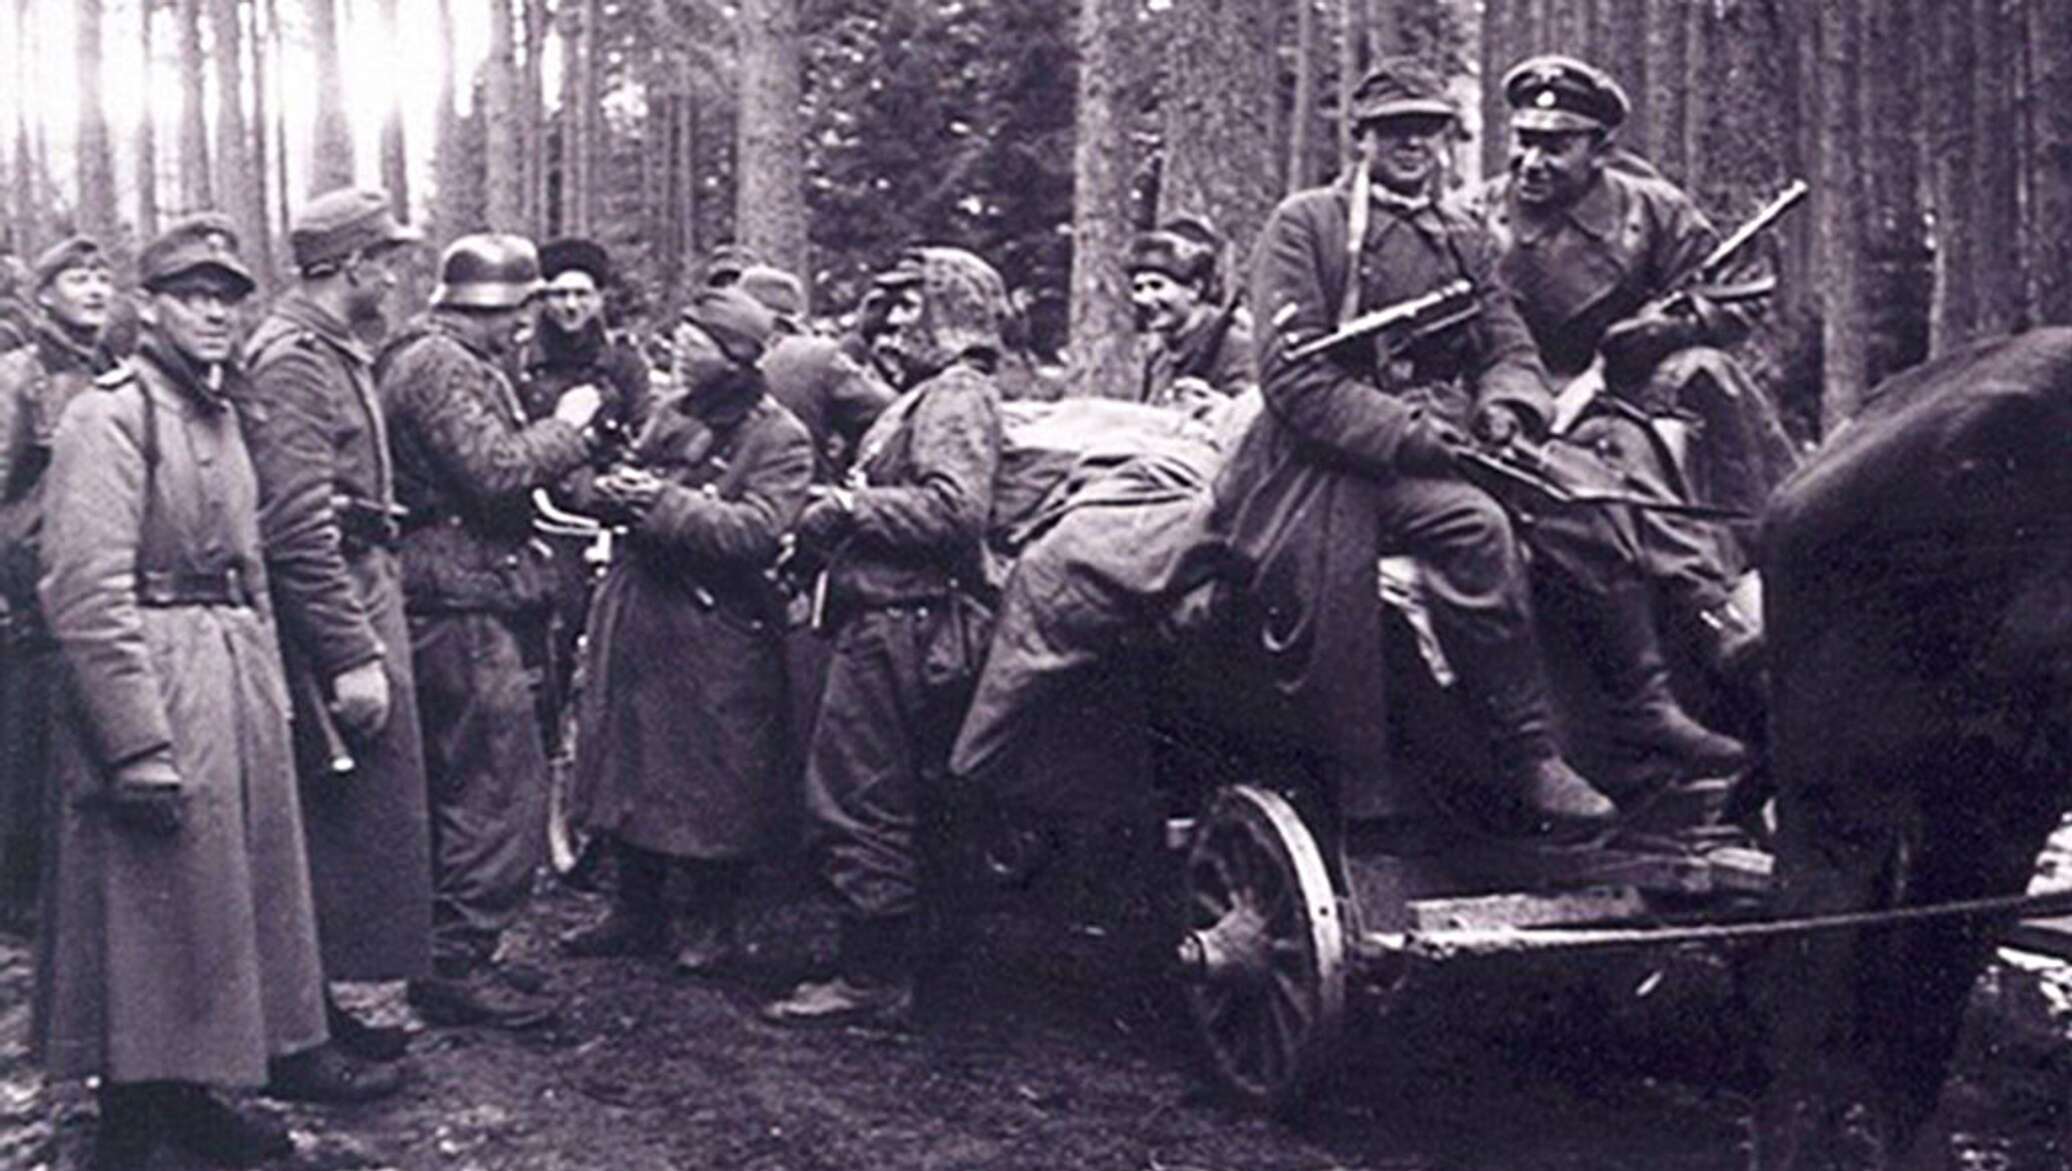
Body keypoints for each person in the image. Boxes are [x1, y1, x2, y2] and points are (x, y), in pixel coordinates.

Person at [1213, 58, 1618, 836]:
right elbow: (1295, 378)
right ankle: (1528, 752)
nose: (1412, 145)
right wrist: (1409, 435)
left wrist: (1506, 407)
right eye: (1394, 129)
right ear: (1361, 137)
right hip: (1327, 460)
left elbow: (1507, 342)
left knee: (1588, 503)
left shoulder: (1462, 235)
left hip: (1448, 438)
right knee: (1476, 528)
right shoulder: (1307, 226)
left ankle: (1635, 723)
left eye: (1427, 129)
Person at [35, 214, 335, 1168]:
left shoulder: (221, 410)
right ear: (150, 306)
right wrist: (135, 739)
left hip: (229, 669)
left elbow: (252, 565)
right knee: (146, 902)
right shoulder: (110, 414)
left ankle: (193, 1091)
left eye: (226, 298)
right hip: (155, 673)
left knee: (216, 902)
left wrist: (271, 689)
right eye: (191, 296)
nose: (213, 313)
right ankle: (133, 1118)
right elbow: (84, 588)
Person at [1466, 54, 1791, 683]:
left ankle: (1780, 549)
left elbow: (1737, 293)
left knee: (1708, 380)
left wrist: (1666, 330)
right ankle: (1703, 604)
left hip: (1633, 387)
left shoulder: (1651, 209)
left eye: (1556, 146)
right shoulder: (1473, 215)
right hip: (1515, 394)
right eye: (1524, 140)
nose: (1531, 161)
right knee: (1608, 461)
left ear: (1600, 149)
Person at [762, 246, 1007, 1028]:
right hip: (894, 615)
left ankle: (872, 973)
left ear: (954, 312)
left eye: (911, 305)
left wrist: (848, 508)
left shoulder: (956, 394)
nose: (894, 323)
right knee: (887, 793)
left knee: (859, 792)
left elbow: (954, 510)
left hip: (906, 620)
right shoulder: (930, 394)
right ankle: (900, 960)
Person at [376, 234, 607, 1029]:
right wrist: (569, 427)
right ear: (491, 307)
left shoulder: (441, 358)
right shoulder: (440, 365)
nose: (524, 326)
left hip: (458, 588)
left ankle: (455, 947)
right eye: (519, 309)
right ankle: (457, 961)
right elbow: (495, 471)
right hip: (460, 594)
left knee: (471, 777)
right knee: (497, 779)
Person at [559, 286, 812, 974]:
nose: (678, 348)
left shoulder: (779, 436)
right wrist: (611, 491)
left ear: (736, 354)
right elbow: (626, 485)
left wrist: (661, 502)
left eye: (694, 340)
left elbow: (759, 530)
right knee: (627, 760)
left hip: (715, 627)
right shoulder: (671, 412)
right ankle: (634, 909)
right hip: (640, 612)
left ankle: (712, 920)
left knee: (714, 774)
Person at [241, 187, 430, 1089]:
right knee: (318, 827)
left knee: (346, 825)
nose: (391, 277)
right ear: (351, 265)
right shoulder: (294, 363)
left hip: (359, 588)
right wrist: (351, 653)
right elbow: (296, 527)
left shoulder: (328, 350)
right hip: (331, 610)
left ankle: (314, 1007)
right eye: (383, 260)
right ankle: (292, 1036)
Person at [0, 236, 118, 933]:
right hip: (30, 589)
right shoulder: (20, 377)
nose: (95, 289)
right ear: (43, 295)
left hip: (95, 581)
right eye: (78, 278)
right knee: (27, 747)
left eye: (102, 277)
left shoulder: (117, 371)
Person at [1127, 216, 1254, 411]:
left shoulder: (1237, 347)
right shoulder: (1160, 357)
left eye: (1156, 285)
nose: (1143, 298)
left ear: (1194, 289)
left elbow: (1255, 416)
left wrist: (1218, 406)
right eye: (1138, 288)